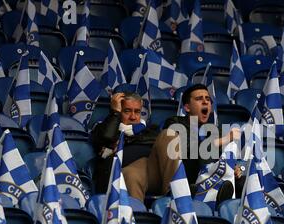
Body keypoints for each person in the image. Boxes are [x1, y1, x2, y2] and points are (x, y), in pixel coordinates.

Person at [91, 85, 243, 203]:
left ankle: (178, 189)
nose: (133, 116)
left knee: (169, 136)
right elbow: (105, 137)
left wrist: (229, 165)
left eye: (137, 111)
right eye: (126, 111)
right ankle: (140, 219)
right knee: (131, 174)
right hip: (130, 171)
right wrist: (115, 113)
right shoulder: (106, 128)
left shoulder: (151, 130)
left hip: (157, 166)